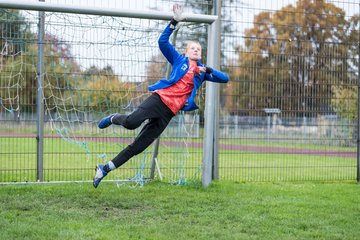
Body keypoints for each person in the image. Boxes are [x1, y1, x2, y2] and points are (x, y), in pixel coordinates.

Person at [93, 4, 229, 188]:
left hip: (168, 113)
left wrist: (209, 69)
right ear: (186, 52)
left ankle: (104, 169)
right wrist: (174, 22)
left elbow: (225, 78)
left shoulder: (202, 73)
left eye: (199, 49)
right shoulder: (179, 60)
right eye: (193, 48)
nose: (196, 50)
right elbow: (162, 42)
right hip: (159, 100)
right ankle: (112, 118)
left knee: (139, 147)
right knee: (132, 123)